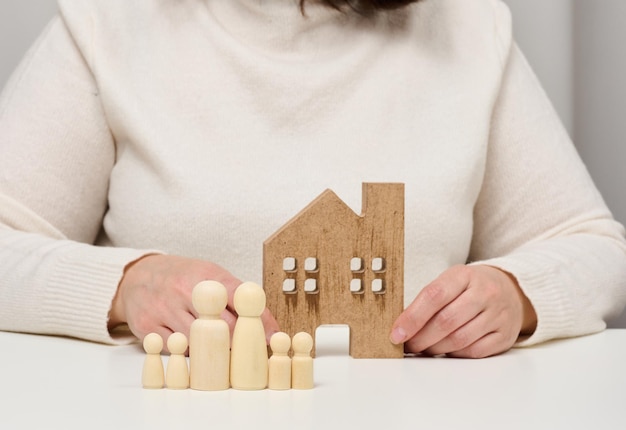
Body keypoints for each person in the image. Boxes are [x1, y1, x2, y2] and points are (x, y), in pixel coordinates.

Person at [1, 0, 625, 359]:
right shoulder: (109, 24)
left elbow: (597, 248)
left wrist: (517, 295)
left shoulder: (467, 26)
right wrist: (124, 285)